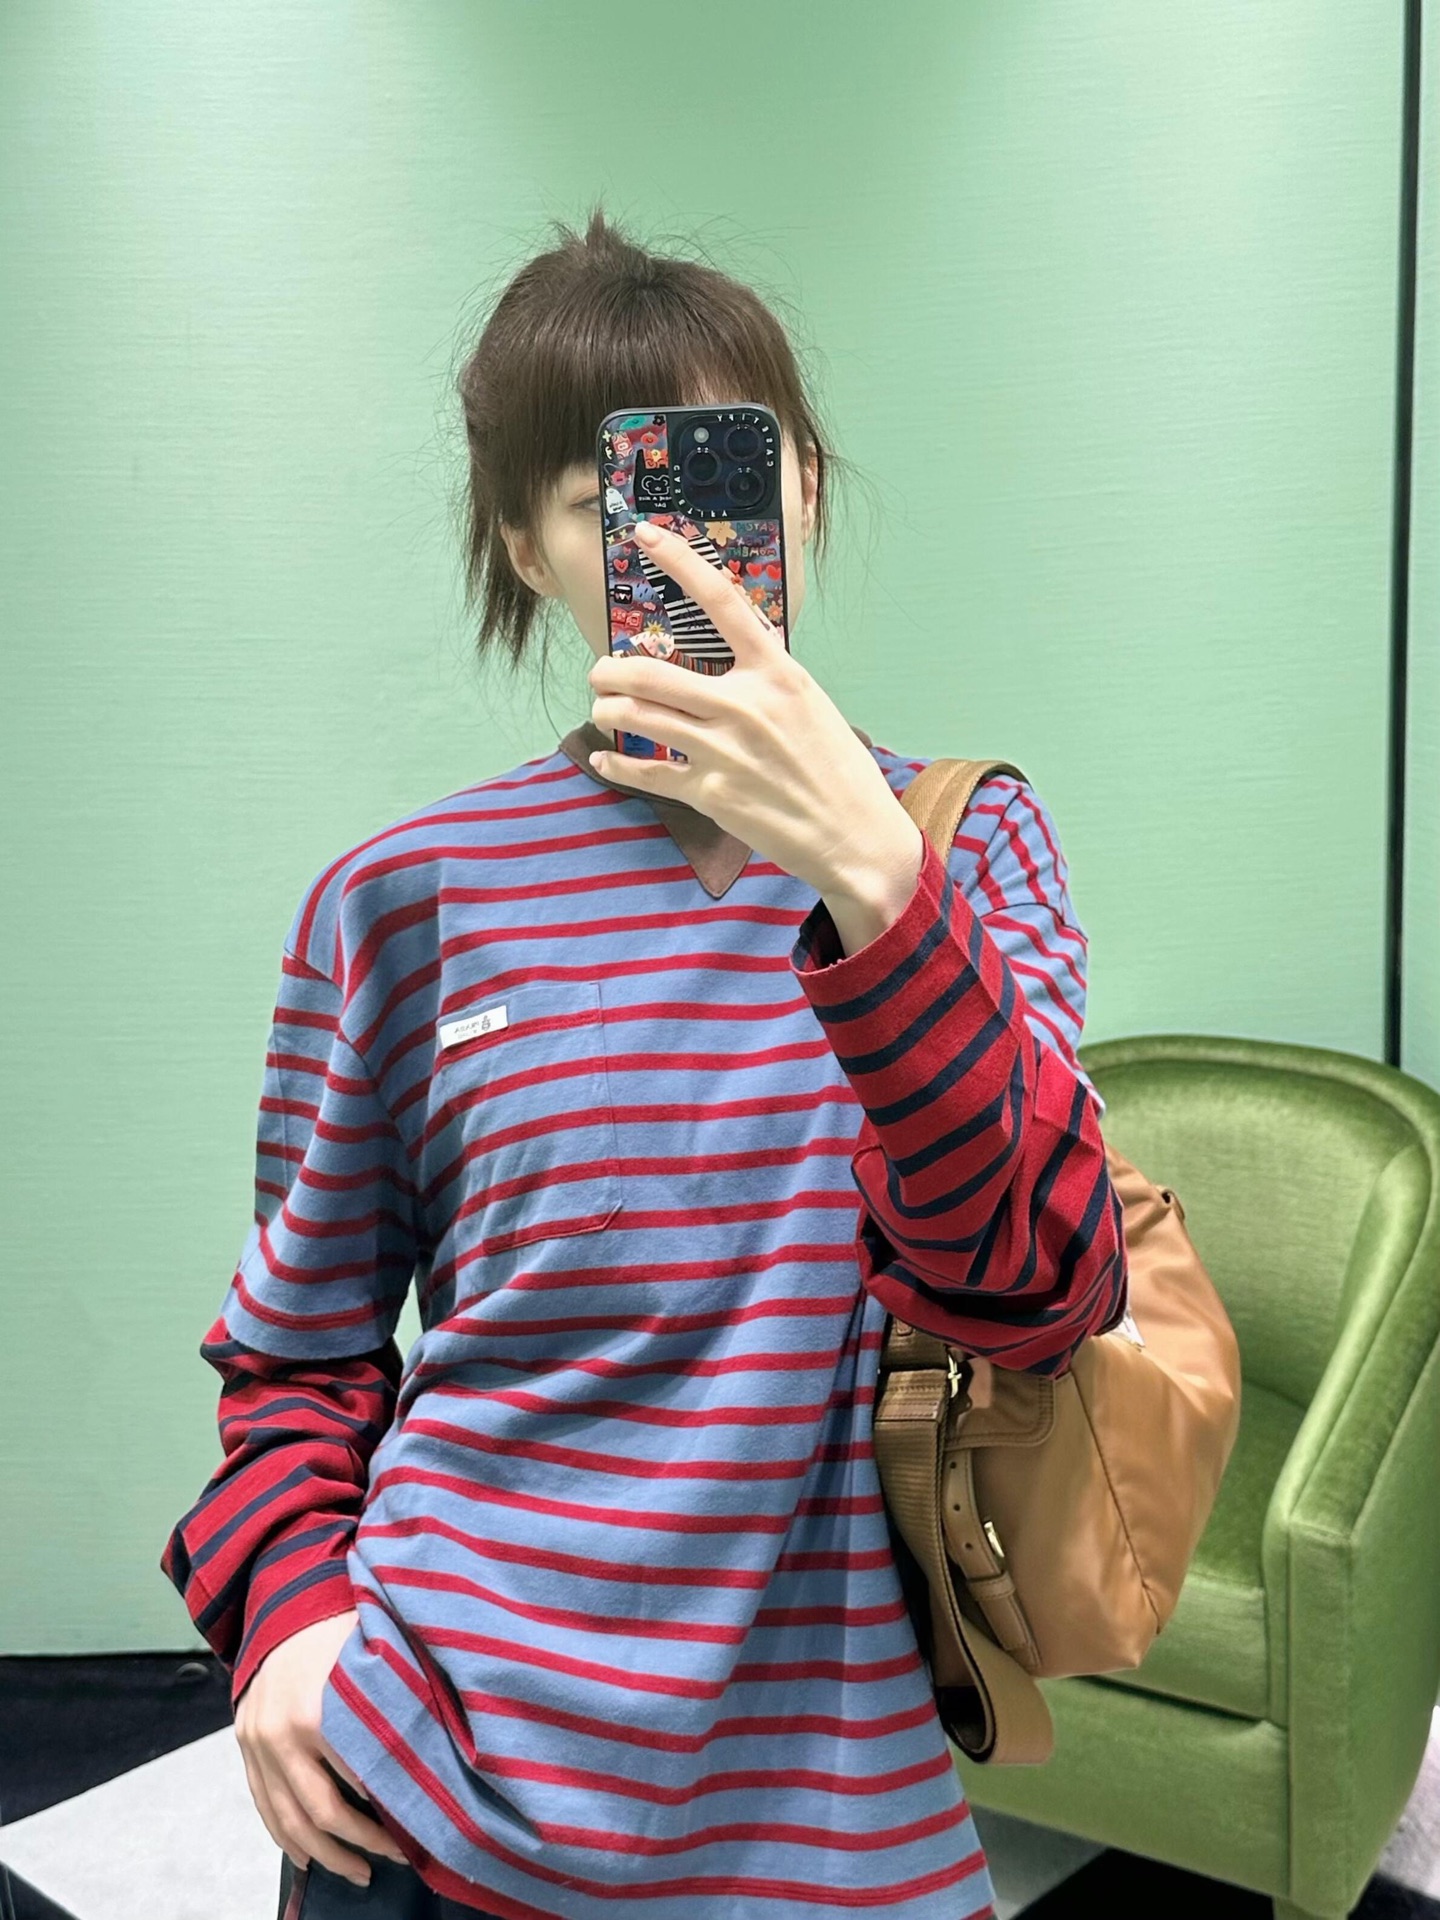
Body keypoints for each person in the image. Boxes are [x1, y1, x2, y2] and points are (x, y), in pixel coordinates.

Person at [161, 206, 1128, 1920]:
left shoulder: (965, 855)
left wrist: (876, 891)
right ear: (525, 548)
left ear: (805, 492)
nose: (682, 550)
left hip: (837, 1827)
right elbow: (296, 1353)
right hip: (428, 1792)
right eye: (609, 502)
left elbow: (1047, 1288)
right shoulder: (400, 901)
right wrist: (294, 1619)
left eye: (730, 477)